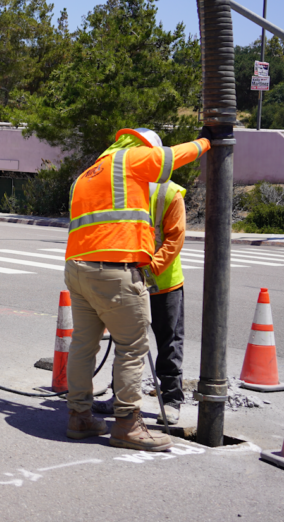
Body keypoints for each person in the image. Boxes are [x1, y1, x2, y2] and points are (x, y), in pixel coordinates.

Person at [63, 127, 210, 451]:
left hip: (78, 269)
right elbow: (172, 157)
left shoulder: (89, 174)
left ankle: (79, 416)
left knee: (83, 346)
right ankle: (128, 425)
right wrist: (206, 141)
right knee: (132, 347)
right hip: (113, 272)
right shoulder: (129, 159)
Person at [92, 180, 188, 424]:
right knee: (126, 344)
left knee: (169, 343)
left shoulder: (169, 193)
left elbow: (175, 239)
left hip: (164, 284)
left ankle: (171, 401)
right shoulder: (121, 189)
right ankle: (120, 398)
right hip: (129, 281)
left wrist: (149, 270)